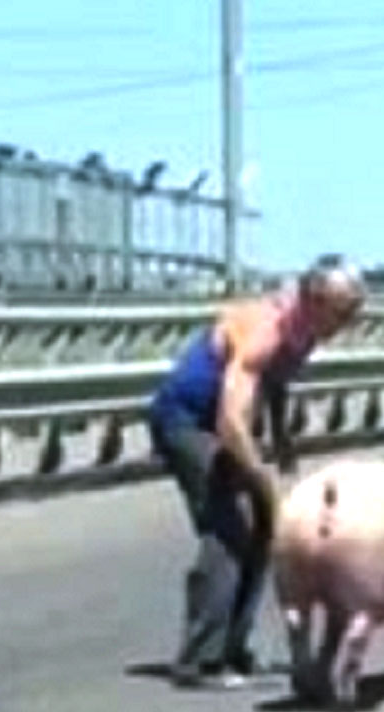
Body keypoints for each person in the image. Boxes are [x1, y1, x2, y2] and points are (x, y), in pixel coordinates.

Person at [147, 256, 366, 689]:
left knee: (266, 528)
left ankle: (233, 651)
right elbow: (231, 420)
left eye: (354, 313)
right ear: (313, 300)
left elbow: (275, 381)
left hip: (219, 422)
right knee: (232, 524)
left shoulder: (304, 334)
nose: (347, 323)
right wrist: (263, 478)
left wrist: (283, 437)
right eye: (342, 312)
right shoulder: (267, 330)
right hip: (186, 421)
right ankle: (199, 661)